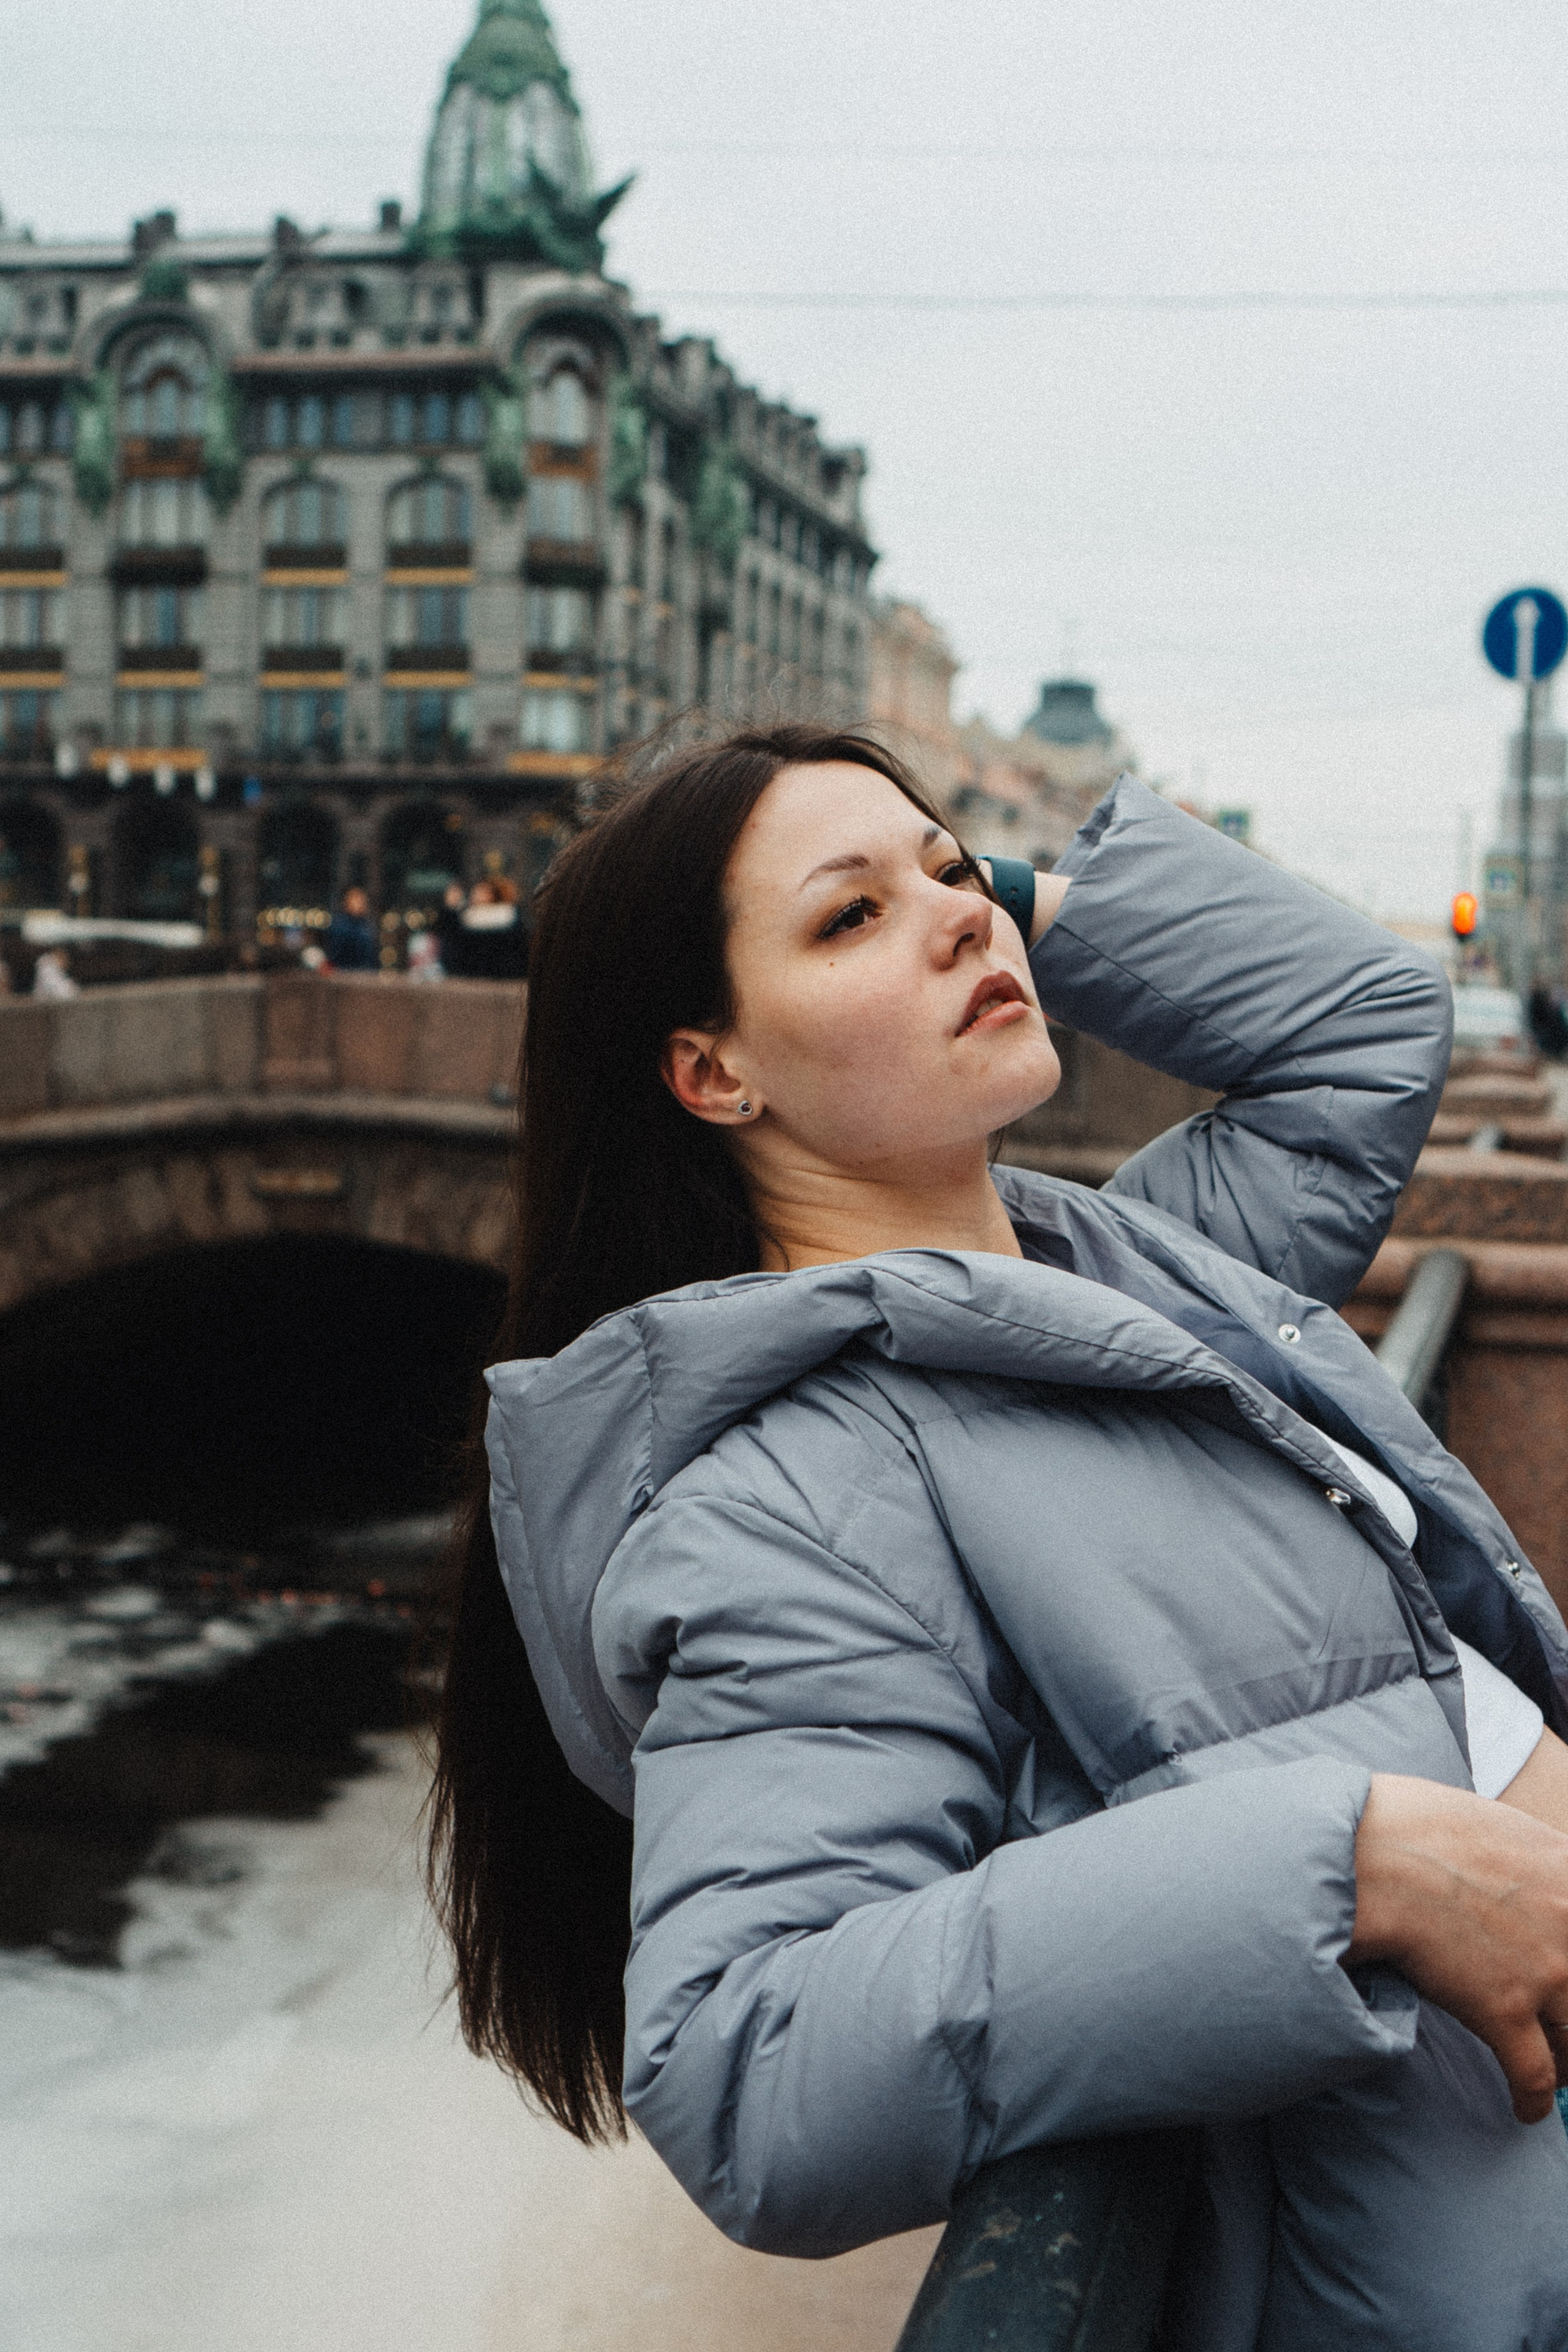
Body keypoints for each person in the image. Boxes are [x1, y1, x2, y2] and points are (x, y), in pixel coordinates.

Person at [429, 725, 1568, 2348]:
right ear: (712, 1072)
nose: (959, 918)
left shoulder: (1125, 1259)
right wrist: (1358, 1871)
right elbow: (750, 2062)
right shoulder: (798, 1491)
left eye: (954, 872)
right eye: (848, 919)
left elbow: (1367, 1028)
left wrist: (999, 893)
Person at [321, 885, 379, 973]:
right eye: (355, 899)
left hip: (367, 976)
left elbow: (372, 958)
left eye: (362, 900)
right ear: (346, 902)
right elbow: (334, 956)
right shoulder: (338, 926)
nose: (359, 903)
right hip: (343, 975)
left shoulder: (368, 926)